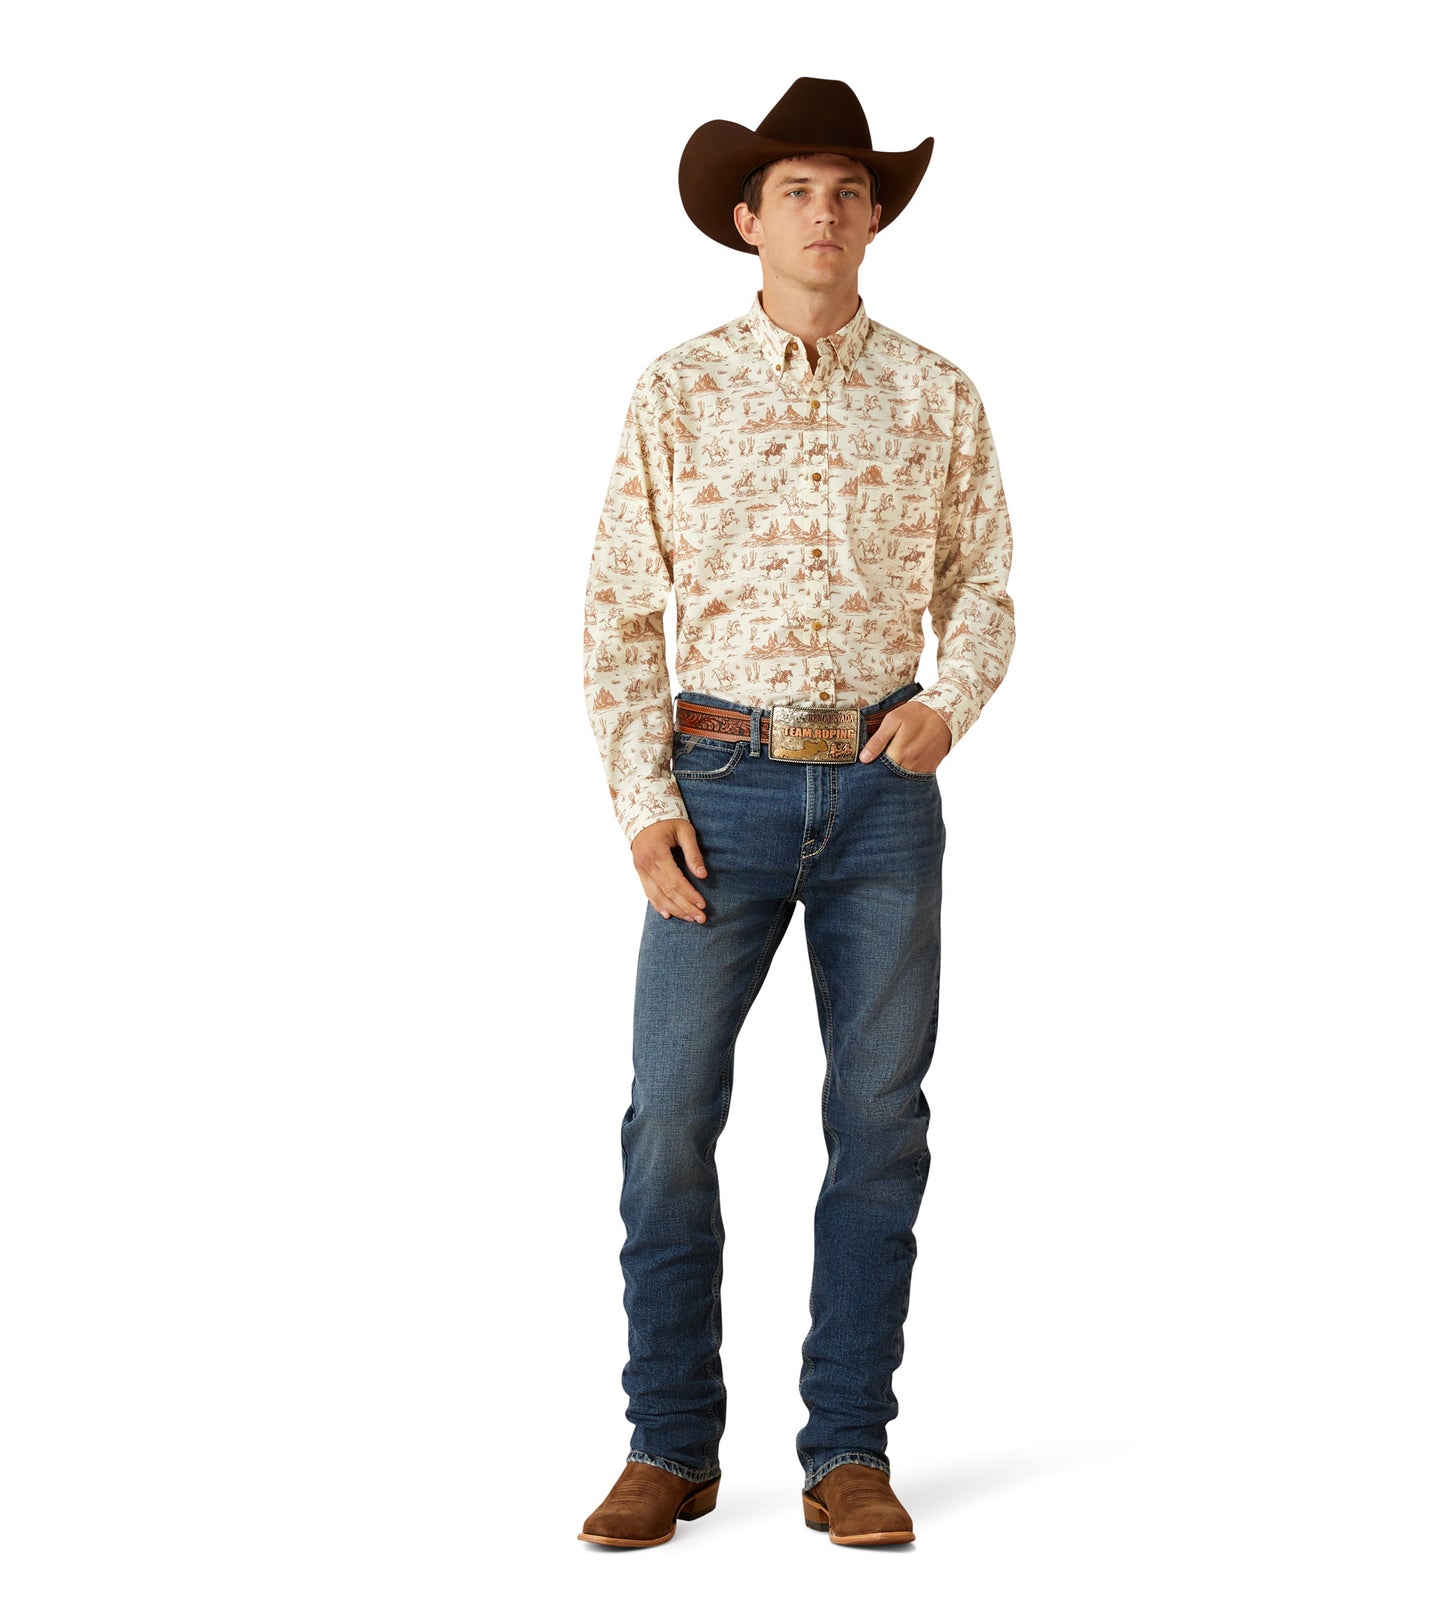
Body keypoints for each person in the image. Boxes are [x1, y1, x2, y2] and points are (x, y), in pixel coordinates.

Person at [577, 77, 1016, 1548]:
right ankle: (668, 1443)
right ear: (747, 221)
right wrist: (643, 804)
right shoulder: (677, 391)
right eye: (797, 192)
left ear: (874, 218)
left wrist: (952, 701)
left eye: (848, 190)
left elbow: (984, 582)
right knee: (669, 1119)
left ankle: (848, 1450)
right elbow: (620, 609)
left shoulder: (938, 394)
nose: (824, 213)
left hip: (884, 797)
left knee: (879, 1120)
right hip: (720, 787)